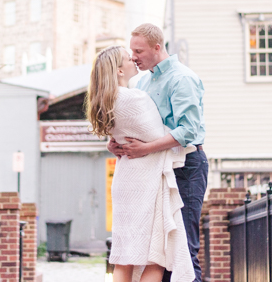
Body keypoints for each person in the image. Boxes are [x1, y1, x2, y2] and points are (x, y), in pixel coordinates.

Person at [109, 23, 208, 282]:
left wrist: (145, 149)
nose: (133, 57)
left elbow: (188, 130)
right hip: (153, 170)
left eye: (139, 51)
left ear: (157, 47)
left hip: (185, 166)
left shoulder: (181, 78)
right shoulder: (141, 82)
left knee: (183, 247)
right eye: (131, 51)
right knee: (159, 249)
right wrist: (115, 144)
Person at [87, 46, 195, 282]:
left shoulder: (105, 101)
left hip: (126, 179)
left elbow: (120, 137)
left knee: (124, 256)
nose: (133, 60)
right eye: (128, 58)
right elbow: (159, 135)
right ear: (118, 70)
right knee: (156, 255)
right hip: (147, 181)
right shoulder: (133, 97)